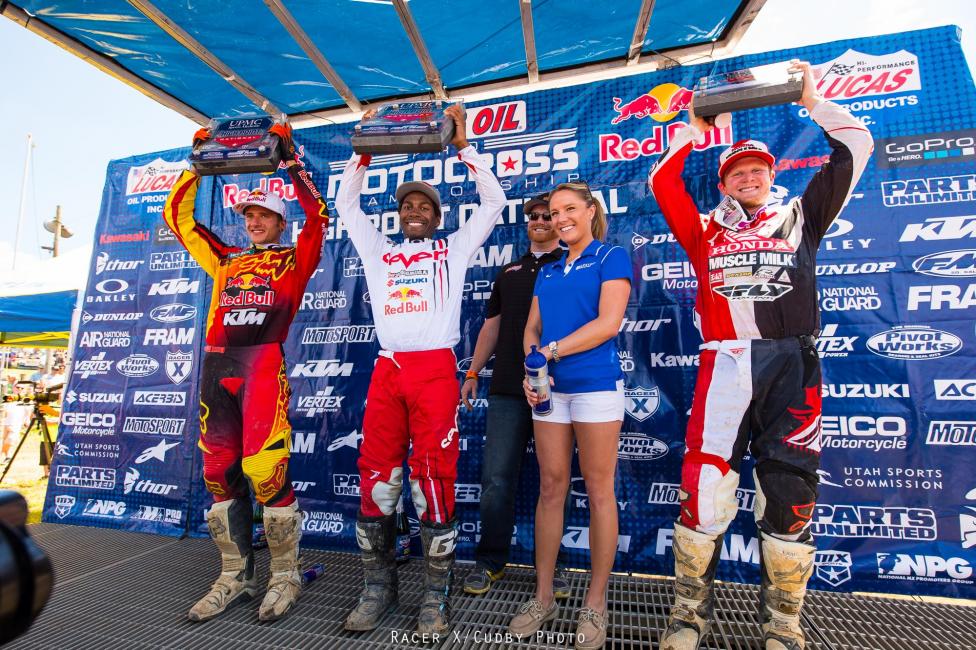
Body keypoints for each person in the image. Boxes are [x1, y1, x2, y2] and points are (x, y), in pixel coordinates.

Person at [647, 61, 872, 650]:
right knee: (704, 488)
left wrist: (813, 101)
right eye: (737, 171)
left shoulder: (803, 215)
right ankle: (688, 616)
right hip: (723, 364)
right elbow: (662, 186)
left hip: (791, 365)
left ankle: (783, 623)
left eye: (758, 169)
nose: (748, 176)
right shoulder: (702, 230)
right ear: (723, 182)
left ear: (772, 176)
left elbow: (856, 146)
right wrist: (691, 129)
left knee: (791, 490)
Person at [335, 103, 506, 636]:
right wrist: (364, 149)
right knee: (377, 478)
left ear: (436, 216)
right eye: (407, 204)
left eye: (424, 206)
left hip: (434, 371)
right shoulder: (377, 247)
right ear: (398, 214)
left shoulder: (453, 249)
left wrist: (463, 145)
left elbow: (495, 200)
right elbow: (345, 203)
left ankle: (436, 596)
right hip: (388, 371)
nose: (415, 210)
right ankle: (377, 588)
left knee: (434, 479)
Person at [163, 123, 330, 623]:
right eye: (249, 215)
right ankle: (235, 577)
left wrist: (290, 161)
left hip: (261, 366)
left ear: (281, 224)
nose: (255, 222)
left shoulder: (294, 261)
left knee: (265, 469)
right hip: (217, 366)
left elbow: (320, 217)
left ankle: (285, 576)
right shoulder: (225, 260)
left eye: (265, 216)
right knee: (218, 471)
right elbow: (180, 220)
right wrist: (196, 164)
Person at [510, 182, 632, 650]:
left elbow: (608, 323)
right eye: (553, 212)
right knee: (550, 487)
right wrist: (531, 366)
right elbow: (531, 329)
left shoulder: (610, 257)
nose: (559, 218)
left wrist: (551, 353)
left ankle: (595, 604)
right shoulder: (550, 269)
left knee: (600, 491)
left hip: (596, 387)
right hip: (550, 392)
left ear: (590, 211)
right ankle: (544, 597)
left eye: (568, 209)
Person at [459, 193, 571, 599]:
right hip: (507, 388)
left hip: (559, 389)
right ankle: (490, 562)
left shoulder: (572, 265)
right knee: (495, 480)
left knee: (554, 482)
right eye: (534, 216)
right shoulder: (509, 271)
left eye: (549, 215)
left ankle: (553, 568)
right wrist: (473, 370)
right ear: (527, 223)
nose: (541, 221)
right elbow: (492, 325)